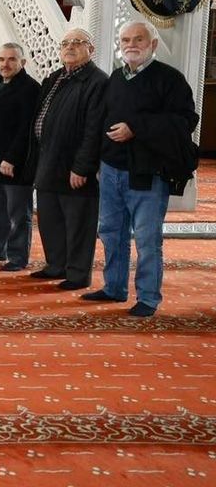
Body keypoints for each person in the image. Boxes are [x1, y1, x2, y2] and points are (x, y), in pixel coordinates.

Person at [84, 20, 198, 317]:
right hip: (111, 170)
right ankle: (114, 287)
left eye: (138, 39)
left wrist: (136, 127)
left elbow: (185, 121)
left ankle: (148, 297)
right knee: (111, 232)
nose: (131, 45)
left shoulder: (170, 79)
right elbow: (102, 120)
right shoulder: (116, 77)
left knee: (147, 239)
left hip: (148, 173)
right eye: (125, 40)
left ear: (153, 44)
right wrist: (98, 163)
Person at [25, 28, 108, 291]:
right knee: (51, 220)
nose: (70, 47)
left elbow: (94, 130)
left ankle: (77, 274)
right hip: (48, 161)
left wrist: (82, 167)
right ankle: (56, 265)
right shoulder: (55, 78)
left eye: (77, 42)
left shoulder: (97, 82)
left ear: (90, 49)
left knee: (78, 224)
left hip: (74, 168)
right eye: (65, 43)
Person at [0, 42, 39, 270]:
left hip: (14, 163)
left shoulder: (30, 88)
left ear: (23, 62)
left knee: (18, 214)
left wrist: (11, 158)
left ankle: (17, 257)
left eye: (11, 59)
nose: (5, 64)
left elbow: (26, 129)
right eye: (1, 59)